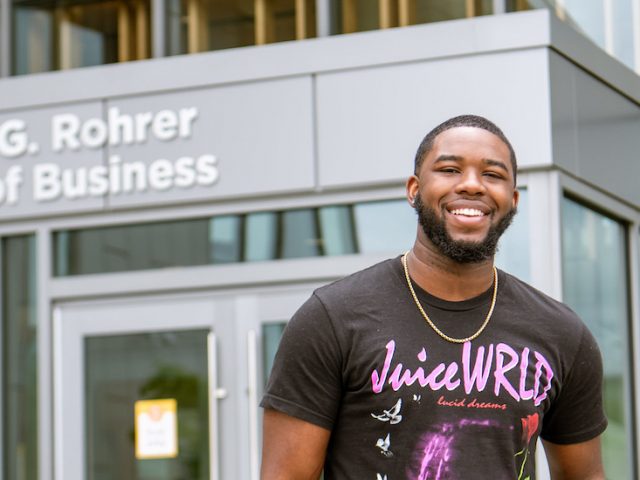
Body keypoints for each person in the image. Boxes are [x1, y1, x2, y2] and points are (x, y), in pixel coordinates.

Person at [260, 115, 607, 479]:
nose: (472, 185)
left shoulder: (561, 334)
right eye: (450, 169)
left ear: (513, 199)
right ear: (414, 189)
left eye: (493, 174)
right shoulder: (332, 318)